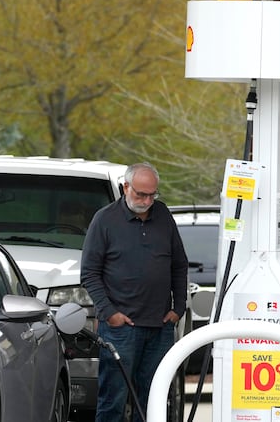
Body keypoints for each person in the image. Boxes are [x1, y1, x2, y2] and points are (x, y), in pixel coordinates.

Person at [80, 162, 188, 422]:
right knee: (112, 399)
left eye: (153, 194)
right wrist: (110, 314)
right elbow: (89, 273)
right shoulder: (104, 219)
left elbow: (179, 264)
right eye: (141, 194)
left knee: (154, 399)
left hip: (160, 326)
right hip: (120, 328)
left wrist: (179, 306)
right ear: (125, 187)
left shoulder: (163, 215)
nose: (147, 200)